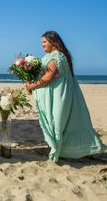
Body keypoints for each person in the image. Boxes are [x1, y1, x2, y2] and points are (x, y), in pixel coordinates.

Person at [26, 31, 106, 162]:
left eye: (44, 42)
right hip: (57, 92)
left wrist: (32, 86)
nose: (42, 45)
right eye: (42, 42)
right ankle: (61, 148)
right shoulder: (54, 55)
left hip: (58, 94)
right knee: (59, 121)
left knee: (56, 121)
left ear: (53, 42)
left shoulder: (57, 56)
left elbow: (48, 77)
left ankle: (58, 149)